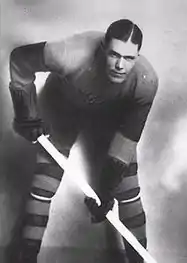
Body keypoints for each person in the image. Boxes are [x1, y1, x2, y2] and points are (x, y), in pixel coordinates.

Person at [7, 19, 158, 263]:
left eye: (129, 58)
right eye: (114, 55)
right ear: (102, 49)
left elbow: (126, 141)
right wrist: (27, 115)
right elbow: (20, 59)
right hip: (65, 106)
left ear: (137, 56)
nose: (120, 65)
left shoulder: (145, 81)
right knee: (43, 185)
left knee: (127, 190)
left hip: (110, 118)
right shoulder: (71, 54)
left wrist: (106, 189)